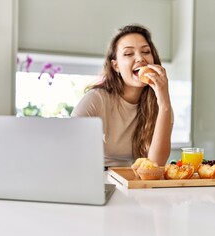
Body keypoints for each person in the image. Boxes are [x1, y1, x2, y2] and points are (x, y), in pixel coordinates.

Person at [71, 24, 173, 167]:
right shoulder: (97, 98)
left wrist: (164, 106)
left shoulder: (162, 105)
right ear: (116, 66)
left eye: (146, 51)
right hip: (102, 178)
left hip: (137, 182)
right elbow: (68, 145)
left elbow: (155, 165)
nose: (140, 58)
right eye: (128, 54)